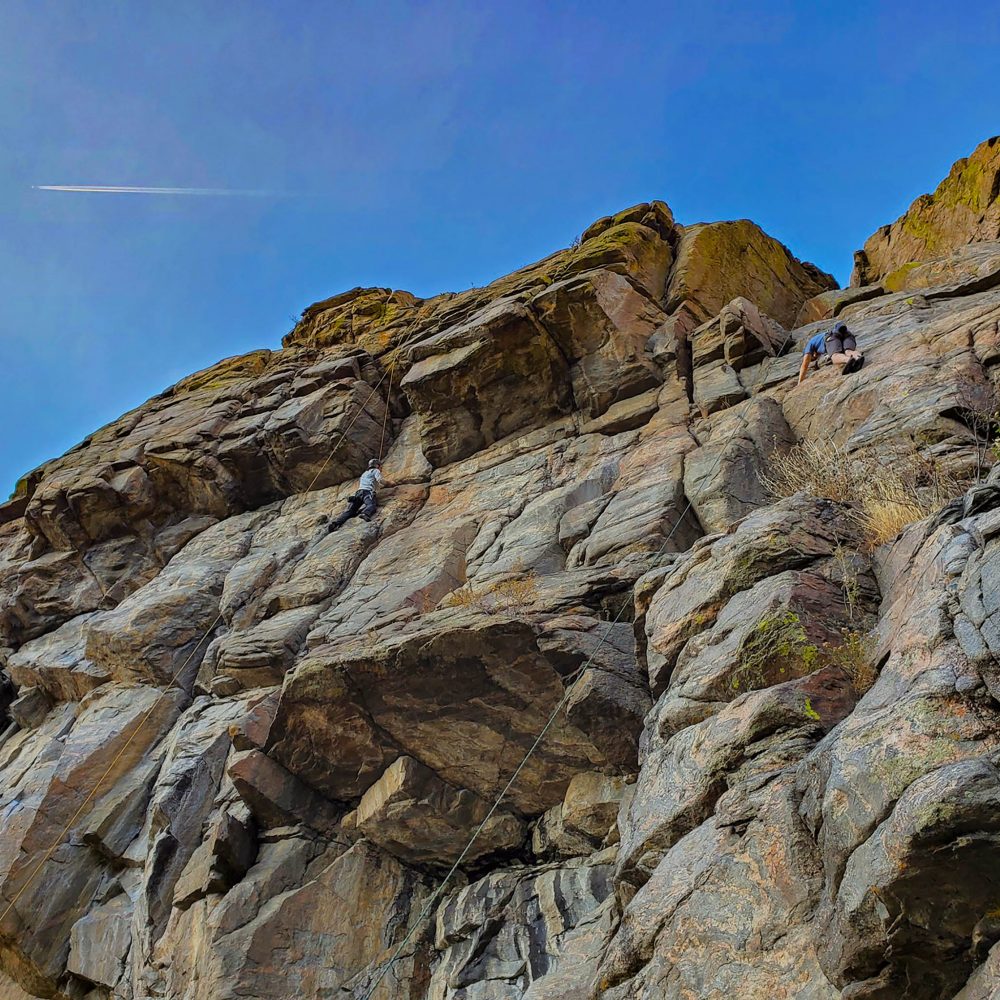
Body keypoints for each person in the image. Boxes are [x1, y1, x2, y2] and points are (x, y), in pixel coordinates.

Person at [328, 459, 391, 531]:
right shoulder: (375, 471)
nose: (381, 468)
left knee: (350, 511)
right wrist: (388, 483)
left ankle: (336, 523)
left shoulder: (364, 473)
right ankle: (365, 514)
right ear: (377, 465)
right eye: (380, 466)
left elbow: (373, 484)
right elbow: (380, 480)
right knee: (371, 505)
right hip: (367, 492)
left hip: (358, 493)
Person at [798, 321, 864, 384]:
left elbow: (804, 365)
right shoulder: (818, 341)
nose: (815, 357)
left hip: (832, 336)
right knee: (848, 351)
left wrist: (799, 383)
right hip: (847, 333)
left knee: (835, 356)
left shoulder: (810, 344)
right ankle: (858, 357)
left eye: (813, 358)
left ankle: (848, 360)